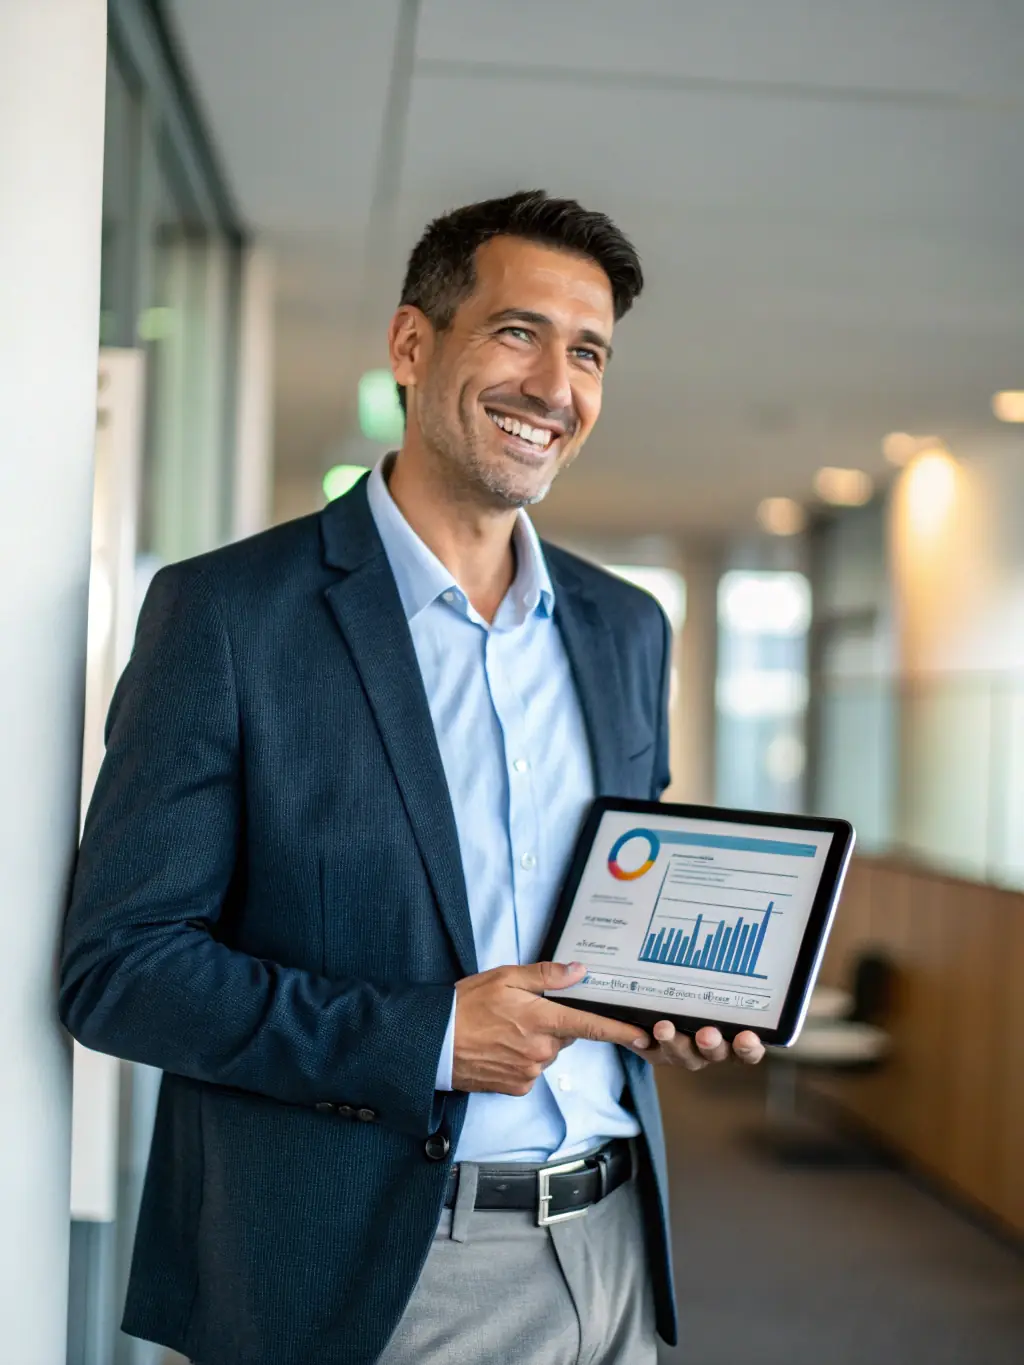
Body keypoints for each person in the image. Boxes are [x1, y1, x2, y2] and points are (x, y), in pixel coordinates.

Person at [59, 190, 765, 1365]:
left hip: (613, 1248)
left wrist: (673, 999)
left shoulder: (625, 627)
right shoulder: (231, 616)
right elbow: (120, 971)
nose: (554, 386)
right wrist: (428, 1037)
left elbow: (614, 904)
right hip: (373, 1272)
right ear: (410, 345)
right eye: (515, 332)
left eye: (586, 352)